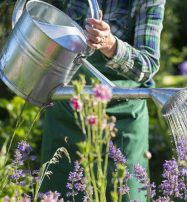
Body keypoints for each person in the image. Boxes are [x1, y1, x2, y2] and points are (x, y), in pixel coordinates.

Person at [40, 0, 165, 201]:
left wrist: (111, 45)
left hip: (122, 116)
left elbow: (148, 64)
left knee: (124, 193)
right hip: (67, 109)